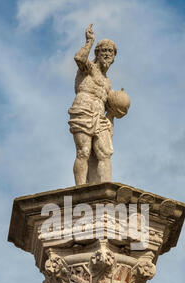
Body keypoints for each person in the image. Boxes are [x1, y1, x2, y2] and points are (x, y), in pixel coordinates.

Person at [68, 24, 118, 185]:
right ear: (97, 53)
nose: (107, 54)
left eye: (111, 52)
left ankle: (105, 188)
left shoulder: (107, 82)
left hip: (100, 116)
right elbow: (79, 58)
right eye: (104, 50)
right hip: (83, 109)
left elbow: (110, 108)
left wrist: (111, 118)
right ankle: (81, 190)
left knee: (105, 153)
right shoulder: (88, 69)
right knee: (83, 152)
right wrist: (90, 42)